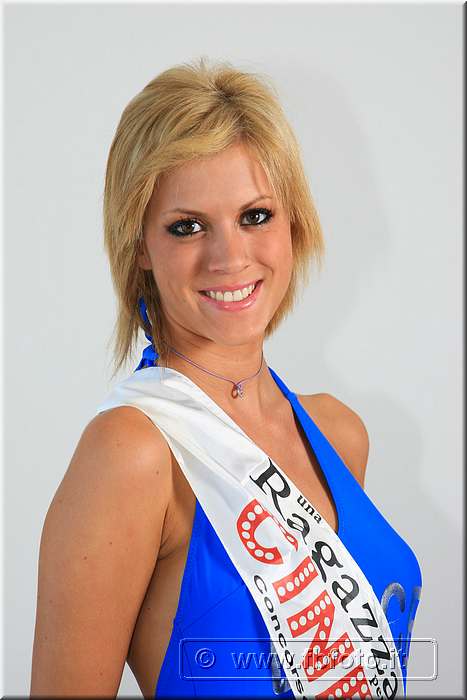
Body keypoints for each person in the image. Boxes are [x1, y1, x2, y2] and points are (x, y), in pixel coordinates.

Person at [30, 57, 422, 699]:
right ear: (139, 246)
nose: (230, 257)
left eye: (255, 216)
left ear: (294, 223)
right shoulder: (130, 454)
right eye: (187, 227)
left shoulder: (339, 434)